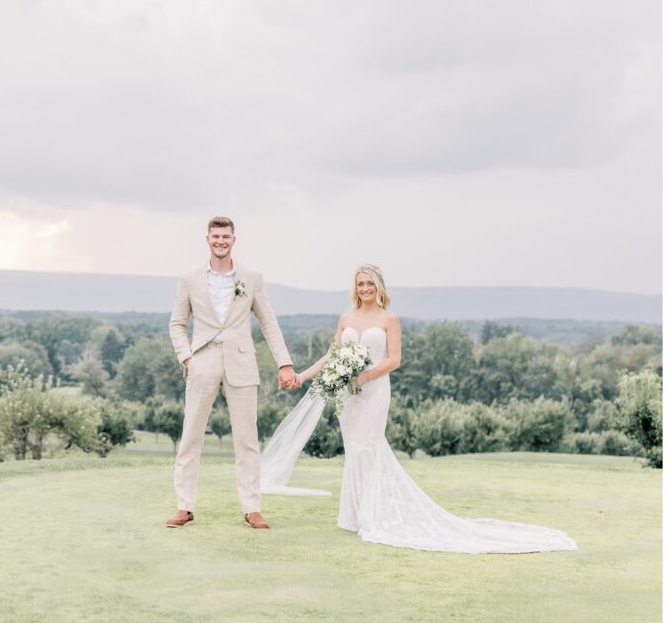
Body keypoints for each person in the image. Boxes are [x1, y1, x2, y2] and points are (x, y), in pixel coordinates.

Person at [261, 264, 578, 553]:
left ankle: (374, 517)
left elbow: (394, 359)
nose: (365, 288)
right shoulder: (346, 318)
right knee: (354, 451)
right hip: (348, 396)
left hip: (373, 392)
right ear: (354, 287)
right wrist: (302, 375)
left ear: (379, 286)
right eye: (360, 283)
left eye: (370, 283)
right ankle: (355, 516)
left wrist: (364, 375)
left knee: (369, 448)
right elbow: (332, 355)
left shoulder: (389, 319)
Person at [165, 216, 297, 530]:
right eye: (215, 236)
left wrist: (285, 363)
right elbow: (176, 324)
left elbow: (268, 322)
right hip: (203, 360)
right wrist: (187, 358)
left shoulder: (251, 278)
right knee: (191, 437)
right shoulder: (189, 278)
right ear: (207, 239)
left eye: (226, 236)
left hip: (241, 361)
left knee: (247, 439)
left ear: (233, 240)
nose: (220, 241)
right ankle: (184, 506)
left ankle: (252, 508)